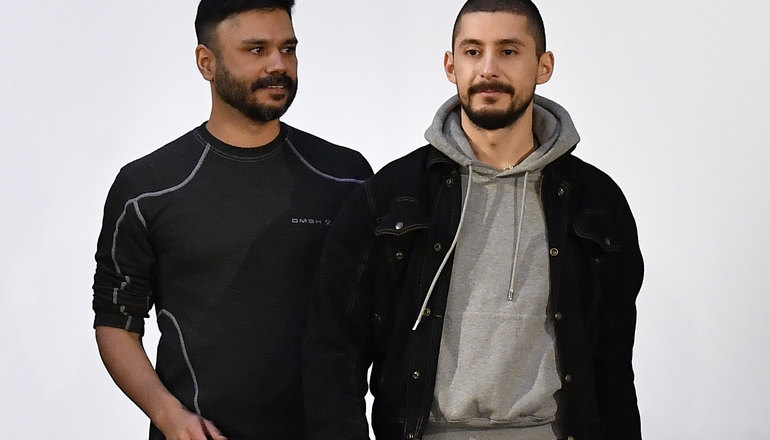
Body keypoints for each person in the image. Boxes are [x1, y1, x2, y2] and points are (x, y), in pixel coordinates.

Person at [303, 0, 643, 439]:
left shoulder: (595, 201)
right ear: (451, 65)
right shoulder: (391, 196)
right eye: (472, 51)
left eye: (508, 51)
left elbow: (614, 369)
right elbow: (334, 348)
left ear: (544, 66)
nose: (488, 69)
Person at [92, 1, 372, 439]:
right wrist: (170, 417)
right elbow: (116, 322)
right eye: (256, 50)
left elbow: (380, 315)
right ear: (206, 62)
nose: (278, 65)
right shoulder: (147, 188)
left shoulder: (345, 176)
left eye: (288, 48)